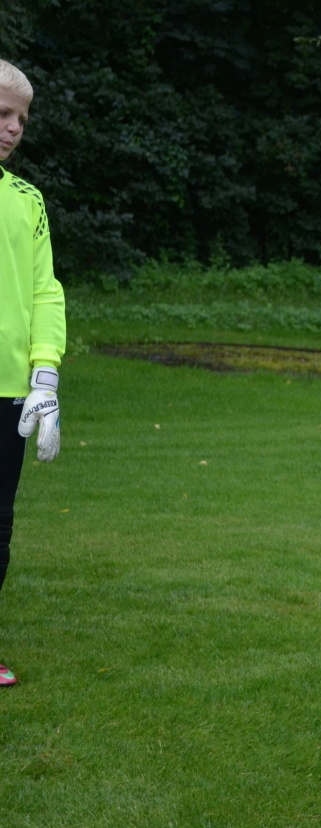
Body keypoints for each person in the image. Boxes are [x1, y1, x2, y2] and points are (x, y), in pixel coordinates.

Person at [0, 58, 65, 689]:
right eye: (1, 113)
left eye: (20, 117)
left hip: (10, 393)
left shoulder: (27, 200)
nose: (13, 128)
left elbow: (45, 291)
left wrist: (44, 376)